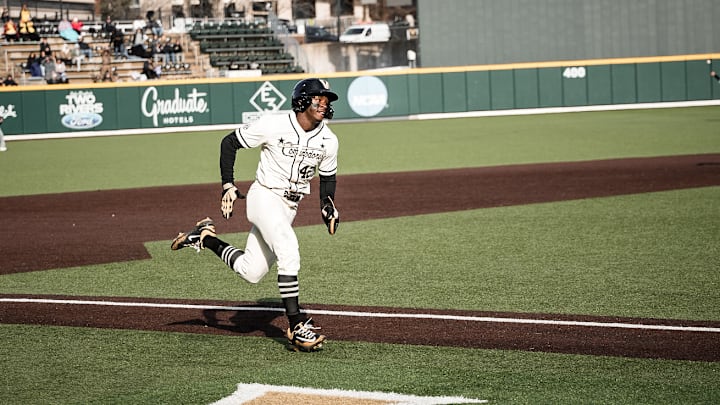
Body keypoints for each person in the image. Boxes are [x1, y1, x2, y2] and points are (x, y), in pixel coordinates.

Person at [170, 78, 341, 353]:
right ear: (302, 100)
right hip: (264, 197)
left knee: (252, 271)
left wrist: (327, 205)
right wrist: (228, 184)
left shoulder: (329, 140)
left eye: (327, 99)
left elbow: (328, 178)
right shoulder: (274, 124)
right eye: (318, 97)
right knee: (289, 249)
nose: (324, 102)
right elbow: (229, 143)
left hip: (289, 207)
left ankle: (205, 237)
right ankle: (296, 324)